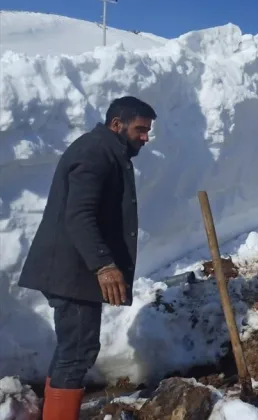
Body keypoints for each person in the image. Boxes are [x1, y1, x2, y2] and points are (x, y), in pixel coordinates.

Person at [18, 96, 157, 420]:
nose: (145, 137)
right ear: (116, 124)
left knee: (73, 350)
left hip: (73, 269)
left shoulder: (107, 150)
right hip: (71, 271)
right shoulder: (95, 151)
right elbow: (78, 215)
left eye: (148, 131)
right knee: (78, 351)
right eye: (140, 129)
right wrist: (104, 265)